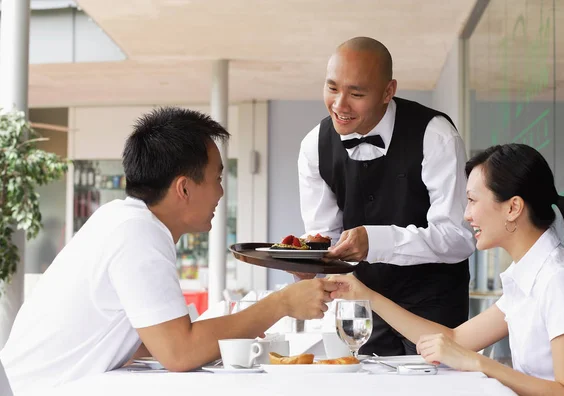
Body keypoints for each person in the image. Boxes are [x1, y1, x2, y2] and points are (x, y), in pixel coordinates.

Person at [0, 107, 337, 393]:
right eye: (217, 178)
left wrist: (238, 325)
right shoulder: (137, 233)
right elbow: (178, 352)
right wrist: (281, 303)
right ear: (184, 188)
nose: (221, 193)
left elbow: (155, 342)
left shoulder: (122, 220)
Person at [331, 143, 564, 395]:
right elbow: (454, 339)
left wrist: (479, 363)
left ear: (513, 207)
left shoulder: (560, 279)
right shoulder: (529, 277)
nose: (466, 214)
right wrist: (365, 295)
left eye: (472, 200)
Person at [295, 36, 475, 355]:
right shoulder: (314, 146)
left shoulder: (436, 136)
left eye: (357, 93)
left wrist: (376, 242)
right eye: (332, 88)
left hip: (434, 310)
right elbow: (324, 237)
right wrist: (311, 263)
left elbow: (459, 238)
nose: (339, 105)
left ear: (388, 91)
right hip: (360, 311)